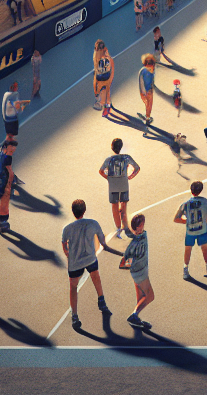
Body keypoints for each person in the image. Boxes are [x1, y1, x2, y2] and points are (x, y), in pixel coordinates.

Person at [62, 198, 118, 328]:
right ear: (84, 210)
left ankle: (75, 316)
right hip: (90, 259)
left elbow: (64, 243)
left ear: (73, 211)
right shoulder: (93, 224)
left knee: (73, 287)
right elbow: (103, 242)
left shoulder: (67, 229)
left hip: (75, 263)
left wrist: (67, 253)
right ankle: (101, 300)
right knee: (95, 275)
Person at [99, 138, 140, 239]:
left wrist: (108, 178)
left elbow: (101, 171)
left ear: (112, 147)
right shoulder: (126, 157)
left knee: (114, 207)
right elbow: (137, 168)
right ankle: (125, 225)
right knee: (124, 205)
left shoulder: (109, 159)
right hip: (124, 184)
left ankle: (118, 228)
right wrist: (130, 176)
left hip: (113, 185)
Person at [175, 180, 207, 279]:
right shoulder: (205, 202)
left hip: (190, 231)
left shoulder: (186, 204)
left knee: (188, 249)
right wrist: (204, 221)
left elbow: (176, 219)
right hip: (202, 230)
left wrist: (187, 222)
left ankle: (185, 269)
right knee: (204, 248)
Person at [120, 213, 154, 330]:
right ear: (137, 227)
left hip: (139, 271)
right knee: (150, 296)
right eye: (142, 224)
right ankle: (134, 315)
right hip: (140, 273)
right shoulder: (134, 242)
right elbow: (123, 262)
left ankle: (136, 317)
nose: (144, 225)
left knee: (140, 298)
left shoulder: (142, 235)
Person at [0, 139, 16, 234]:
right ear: (6, 148)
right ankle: (3, 224)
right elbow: (10, 173)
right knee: (4, 204)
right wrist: (9, 184)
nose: (12, 151)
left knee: (3, 203)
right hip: (4, 182)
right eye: (11, 149)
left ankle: (3, 223)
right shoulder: (7, 158)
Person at [93, 40, 114, 117]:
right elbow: (96, 71)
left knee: (106, 91)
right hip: (100, 77)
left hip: (106, 77)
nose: (96, 50)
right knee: (103, 91)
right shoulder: (96, 57)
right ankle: (106, 104)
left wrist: (110, 79)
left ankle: (107, 106)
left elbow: (111, 69)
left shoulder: (107, 58)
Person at [137, 54, 156, 126]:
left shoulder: (152, 70)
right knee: (147, 103)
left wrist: (152, 88)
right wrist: (143, 91)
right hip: (144, 91)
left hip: (150, 90)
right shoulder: (143, 71)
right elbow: (141, 82)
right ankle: (147, 117)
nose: (150, 68)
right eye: (149, 66)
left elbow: (152, 79)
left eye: (151, 66)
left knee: (149, 104)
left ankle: (147, 117)